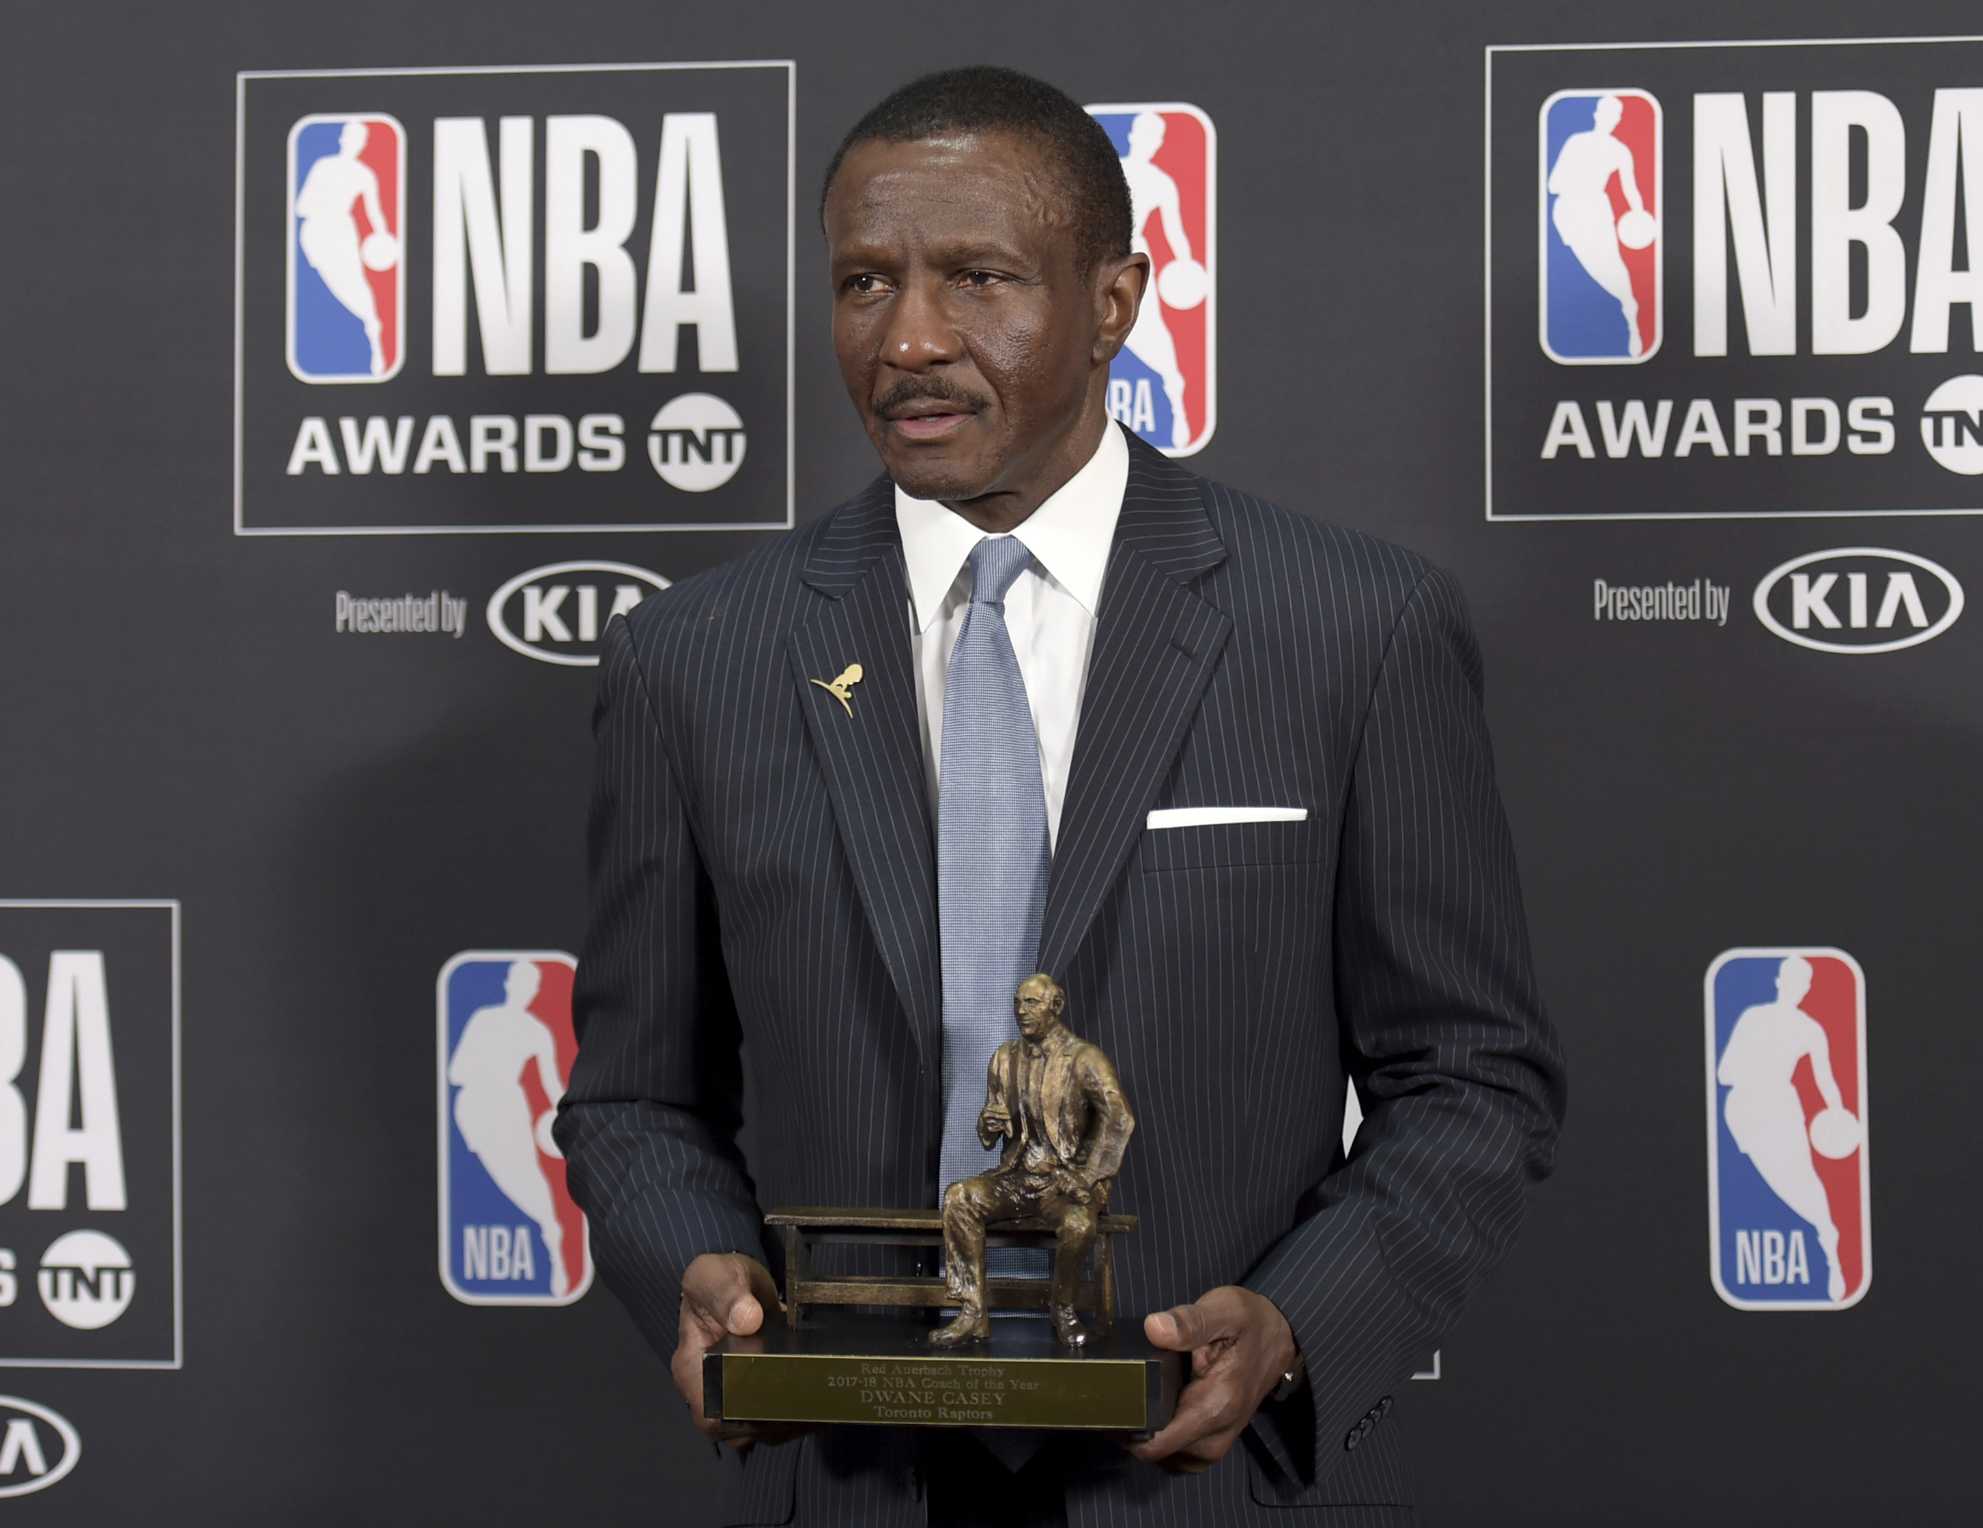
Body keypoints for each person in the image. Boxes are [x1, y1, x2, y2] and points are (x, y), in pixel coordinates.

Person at [559, 65, 1564, 1528]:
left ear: (1113, 302)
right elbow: (637, 1096)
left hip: (1201, 1478)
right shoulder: (692, 661)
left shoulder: (1350, 628)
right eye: (862, 281)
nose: (908, 337)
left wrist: (1297, 1326)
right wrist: (697, 1266)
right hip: (856, 1477)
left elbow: (1473, 1075)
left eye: (978, 278)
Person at [933, 973, 1135, 1349]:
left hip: (1063, 1183)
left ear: (1055, 1007)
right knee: (959, 1198)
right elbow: (991, 1129)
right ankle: (972, 1311)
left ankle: (1063, 1309)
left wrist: (1088, 1175)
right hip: (1016, 1175)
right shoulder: (1004, 1058)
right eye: (1017, 1003)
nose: (1020, 1011)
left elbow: (1119, 1118)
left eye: (1031, 1003)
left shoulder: (1085, 1059)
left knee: (1078, 1225)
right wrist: (989, 1123)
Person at [1716, 956, 1849, 1301]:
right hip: (1744, 1112)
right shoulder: (1752, 1017)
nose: (1797, 988)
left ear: (1806, 989)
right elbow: (1723, 1073)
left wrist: (1837, 1113)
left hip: (1782, 1109)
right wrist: (1756, 1068)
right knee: (1778, 1182)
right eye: (1793, 979)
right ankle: (1827, 1232)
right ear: (1780, 981)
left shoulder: (1810, 1029)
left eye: (1803, 982)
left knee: (1802, 1179)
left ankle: (1830, 1242)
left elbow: (1826, 1080)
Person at [448, 959, 572, 1299]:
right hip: (476, 1107)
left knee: (534, 1189)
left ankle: (554, 1242)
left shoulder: (537, 1031)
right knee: (508, 1179)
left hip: (510, 1108)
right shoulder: (483, 1020)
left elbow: (553, 1088)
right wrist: (488, 1068)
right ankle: (551, 1232)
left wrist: (568, 1118)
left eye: (531, 986)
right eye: (521, 983)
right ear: (509, 984)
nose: (526, 991)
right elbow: (456, 1073)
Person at [1115, 110, 1201, 449]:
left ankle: (1179, 413)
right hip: (1097, 272)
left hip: (1134, 273)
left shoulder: (1162, 183)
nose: (1149, 142)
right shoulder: (1109, 173)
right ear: (1134, 135)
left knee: (1167, 361)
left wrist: (1185, 262)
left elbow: (1175, 230)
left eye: (1157, 138)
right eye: (1144, 134)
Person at [1547, 94, 1648, 356]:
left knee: (1613, 267)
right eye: (1606, 112)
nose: (1610, 119)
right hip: (1568, 214)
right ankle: (1598, 318)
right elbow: (1553, 184)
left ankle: (1631, 316)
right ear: (1596, 114)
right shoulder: (1576, 142)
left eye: (1615, 115)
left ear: (1618, 120)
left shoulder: (1619, 151)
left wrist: (1639, 214)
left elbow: (1631, 190)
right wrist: (1577, 182)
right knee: (1580, 271)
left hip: (1597, 213)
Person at [294, 119, 393, 375]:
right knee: (328, 287)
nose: (354, 142)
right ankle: (366, 330)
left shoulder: (365, 175)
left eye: (359, 138)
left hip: (342, 232)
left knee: (356, 285)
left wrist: (383, 237)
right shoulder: (323, 166)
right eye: (350, 136)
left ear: (363, 143)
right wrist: (323, 205)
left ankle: (374, 336)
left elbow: (375, 213)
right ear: (342, 139)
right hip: (315, 233)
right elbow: (301, 206)